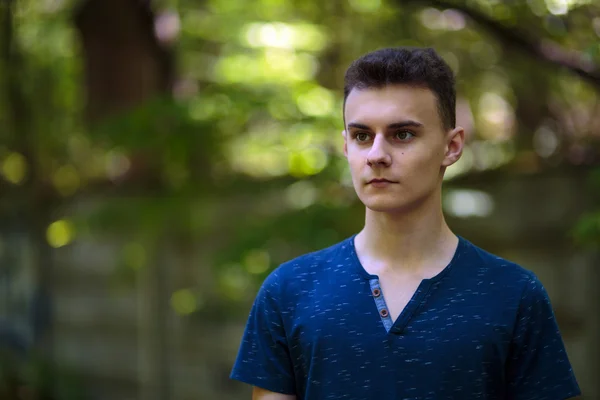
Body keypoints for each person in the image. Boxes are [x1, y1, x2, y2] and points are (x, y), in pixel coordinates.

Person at [230, 47, 581, 400]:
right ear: (346, 146)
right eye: (362, 136)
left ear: (452, 146)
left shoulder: (515, 295)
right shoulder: (289, 291)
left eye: (402, 135)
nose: (377, 155)